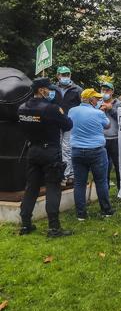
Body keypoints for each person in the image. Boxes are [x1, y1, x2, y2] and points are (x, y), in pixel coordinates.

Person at [17, 77, 74, 237]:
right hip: (50, 152)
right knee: (53, 187)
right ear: (41, 90)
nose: (51, 92)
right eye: (49, 89)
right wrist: (60, 112)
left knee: (31, 188)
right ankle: (54, 227)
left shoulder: (22, 108)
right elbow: (68, 125)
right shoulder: (51, 109)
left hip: (33, 151)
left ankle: (26, 223)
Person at [68, 89, 115, 220]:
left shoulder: (72, 111)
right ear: (90, 100)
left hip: (77, 150)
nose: (98, 100)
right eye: (96, 98)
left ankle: (81, 214)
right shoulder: (98, 113)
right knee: (101, 181)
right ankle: (106, 210)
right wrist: (103, 112)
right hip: (96, 151)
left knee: (79, 183)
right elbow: (108, 125)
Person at [53, 66, 82, 184]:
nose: (65, 77)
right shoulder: (53, 89)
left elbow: (83, 105)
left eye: (67, 74)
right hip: (56, 122)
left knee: (67, 148)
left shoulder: (77, 89)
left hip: (71, 122)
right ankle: (60, 172)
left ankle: (69, 174)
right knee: (58, 147)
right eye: (62, 74)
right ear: (58, 76)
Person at [100, 82, 121, 190]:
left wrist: (110, 109)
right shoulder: (98, 103)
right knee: (103, 165)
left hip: (115, 138)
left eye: (107, 90)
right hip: (102, 139)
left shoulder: (119, 104)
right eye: (103, 90)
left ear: (112, 91)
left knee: (118, 164)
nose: (105, 92)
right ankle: (105, 187)